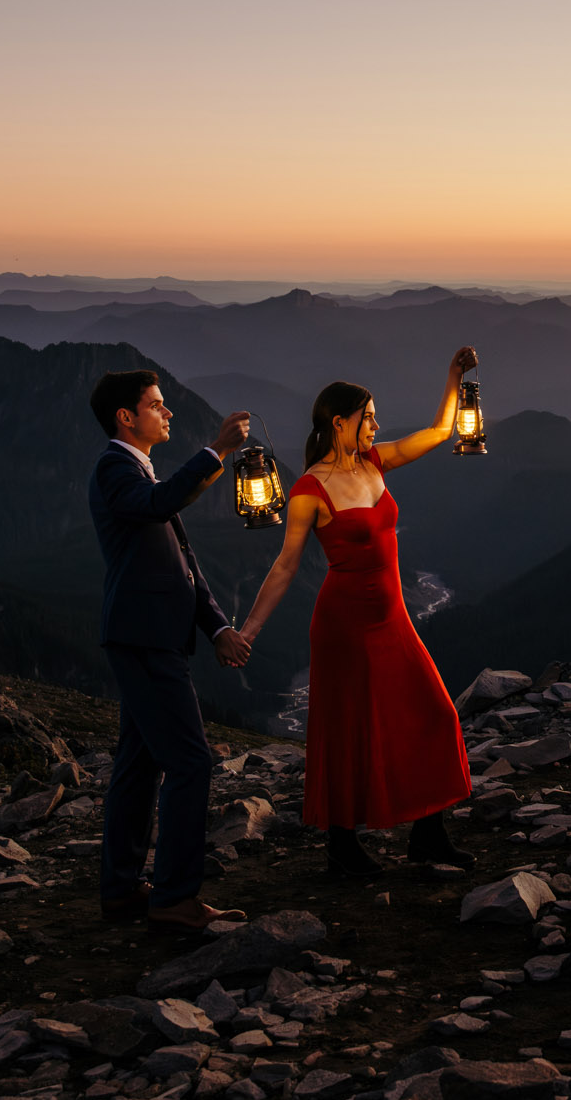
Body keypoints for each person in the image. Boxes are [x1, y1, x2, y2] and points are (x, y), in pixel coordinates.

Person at [238, 347, 479, 877]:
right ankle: (342, 848)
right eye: (368, 417)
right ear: (339, 423)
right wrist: (249, 631)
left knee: (435, 714)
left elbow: (440, 432)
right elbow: (284, 567)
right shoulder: (308, 490)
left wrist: (454, 375)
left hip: (393, 618)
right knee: (348, 730)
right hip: (343, 625)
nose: (377, 425)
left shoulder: (377, 461)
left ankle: (427, 834)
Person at [87, 368, 256, 931]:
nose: (169, 413)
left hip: (148, 634)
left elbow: (184, 567)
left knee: (138, 764)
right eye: (158, 406)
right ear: (126, 418)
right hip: (144, 638)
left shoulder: (138, 469)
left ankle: (122, 890)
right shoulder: (116, 468)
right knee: (190, 761)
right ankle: (175, 898)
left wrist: (216, 629)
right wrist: (216, 451)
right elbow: (159, 505)